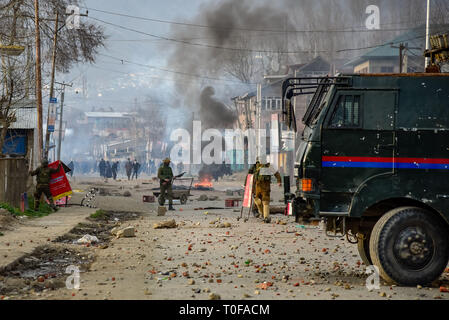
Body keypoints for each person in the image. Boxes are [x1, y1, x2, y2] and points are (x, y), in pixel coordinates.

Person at [253, 156, 282, 224]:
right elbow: (276, 174)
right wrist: (279, 181)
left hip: (259, 187)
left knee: (260, 201)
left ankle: (264, 215)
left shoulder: (257, 166)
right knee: (264, 201)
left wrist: (247, 185)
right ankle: (265, 216)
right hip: (264, 187)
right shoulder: (268, 166)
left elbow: (250, 175)